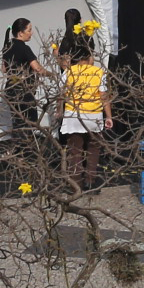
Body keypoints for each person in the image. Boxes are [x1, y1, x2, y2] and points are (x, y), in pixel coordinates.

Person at [57, 34, 109, 188]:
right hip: (94, 116)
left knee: (75, 150)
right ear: (89, 53)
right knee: (93, 149)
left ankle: (76, 184)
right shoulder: (98, 72)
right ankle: (91, 181)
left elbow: (61, 95)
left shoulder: (68, 72)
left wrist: (59, 111)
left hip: (74, 115)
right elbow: (104, 97)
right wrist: (109, 116)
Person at [1, 16, 47, 145]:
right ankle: (26, 151)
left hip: (11, 89)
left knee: (17, 123)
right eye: (29, 30)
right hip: (24, 90)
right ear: (20, 33)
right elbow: (37, 68)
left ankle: (18, 152)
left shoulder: (7, 47)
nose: (31, 33)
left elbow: (4, 69)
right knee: (29, 123)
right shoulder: (25, 48)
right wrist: (51, 73)